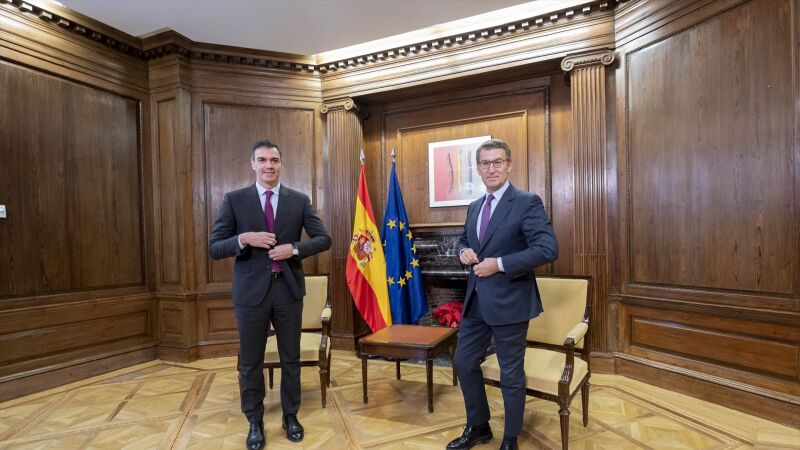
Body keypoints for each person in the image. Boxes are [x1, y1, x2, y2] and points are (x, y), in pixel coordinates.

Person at [209, 139, 331, 450]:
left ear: (281, 165)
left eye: (274, 160)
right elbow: (215, 247)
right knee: (251, 361)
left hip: (287, 291)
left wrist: (294, 249)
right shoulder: (234, 200)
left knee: (291, 358)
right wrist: (244, 238)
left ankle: (291, 416)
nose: (268, 165)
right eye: (262, 160)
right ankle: (255, 421)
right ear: (253, 164)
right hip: (250, 294)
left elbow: (324, 239)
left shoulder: (299, 200)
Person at [448, 139, 558, 450]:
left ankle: (510, 438)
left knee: (510, 372)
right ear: (478, 168)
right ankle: (478, 426)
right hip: (476, 302)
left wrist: (498, 264)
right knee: (464, 362)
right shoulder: (475, 206)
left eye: (497, 162)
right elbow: (463, 240)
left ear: (509, 165)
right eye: (485, 163)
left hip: (511, 301)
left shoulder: (526, 202)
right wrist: (463, 252)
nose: (491, 168)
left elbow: (548, 249)